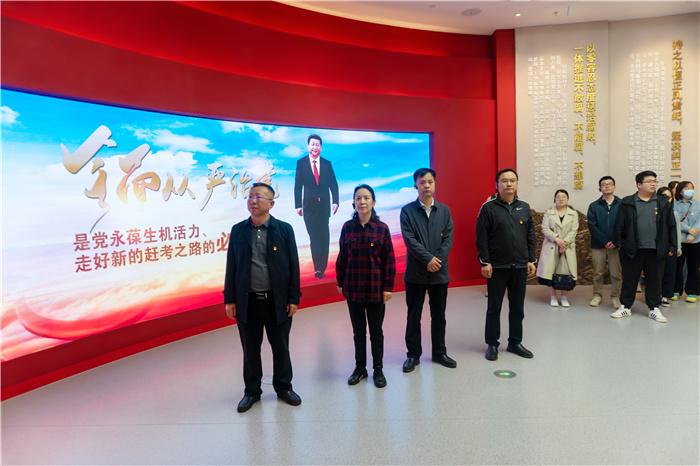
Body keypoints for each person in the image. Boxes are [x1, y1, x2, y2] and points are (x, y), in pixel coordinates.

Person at [224, 182, 302, 413]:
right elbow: (231, 266)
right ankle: (251, 392)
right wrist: (230, 299)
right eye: (250, 196)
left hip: (277, 302)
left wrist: (293, 298)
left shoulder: (284, 229)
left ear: (271, 203)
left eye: (258, 197)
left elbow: (293, 266)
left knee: (281, 348)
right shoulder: (238, 230)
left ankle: (284, 388)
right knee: (250, 350)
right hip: (247, 302)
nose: (253, 201)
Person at [336, 184, 396, 388]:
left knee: (376, 333)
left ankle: (378, 370)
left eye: (366, 197)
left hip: (376, 289)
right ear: (353, 202)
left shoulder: (382, 228)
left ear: (373, 202)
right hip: (353, 289)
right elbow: (342, 258)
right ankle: (360, 368)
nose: (362, 201)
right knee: (358, 333)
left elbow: (389, 260)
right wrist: (340, 282)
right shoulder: (347, 228)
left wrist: (388, 287)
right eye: (358, 198)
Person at [476, 168, 537, 361]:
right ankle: (492, 344)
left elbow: (531, 235)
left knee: (518, 308)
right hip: (497, 267)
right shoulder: (488, 208)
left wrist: (531, 259)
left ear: (517, 183)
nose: (508, 184)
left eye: (512, 180)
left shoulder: (524, 207)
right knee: (494, 307)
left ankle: (515, 342)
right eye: (504, 180)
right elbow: (481, 237)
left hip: (519, 266)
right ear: (497, 184)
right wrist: (485, 262)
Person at [400, 168, 456, 372]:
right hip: (415, 273)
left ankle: (439, 353)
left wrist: (436, 260)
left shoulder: (444, 210)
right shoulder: (407, 211)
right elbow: (410, 240)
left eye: (430, 181)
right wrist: (428, 259)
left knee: (439, 316)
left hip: (439, 273)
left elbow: (448, 239)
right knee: (413, 316)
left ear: (434, 184)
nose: (426, 185)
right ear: (415, 185)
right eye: (422, 182)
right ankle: (413, 355)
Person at [612, 171, 676, 322]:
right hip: (632, 249)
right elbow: (619, 224)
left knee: (654, 280)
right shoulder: (628, 202)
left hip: (656, 249)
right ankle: (625, 306)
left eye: (655, 181)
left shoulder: (662, 203)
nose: (653, 184)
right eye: (649, 181)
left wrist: (672, 246)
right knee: (630, 279)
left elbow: (671, 226)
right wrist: (619, 243)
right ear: (639, 184)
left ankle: (654, 308)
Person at [294, 134, 339, 279]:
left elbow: (333, 184)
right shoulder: (301, 163)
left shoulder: (327, 164)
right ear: (308, 146)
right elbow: (297, 185)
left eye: (317, 145)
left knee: (324, 236)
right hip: (309, 207)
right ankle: (318, 268)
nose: (315, 147)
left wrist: (335, 202)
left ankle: (322, 267)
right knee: (314, 237)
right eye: (312, 144)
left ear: (321, 147)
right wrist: (298, 205)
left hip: (324, 207)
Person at [536, 189, 579, 307]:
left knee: (565, 273)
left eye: (563, 196)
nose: (561, 199)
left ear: (567, 199)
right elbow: (545, 229)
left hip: (567, 247)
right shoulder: (549, 212)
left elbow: (574, 230)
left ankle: (564, 297)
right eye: (558, 197)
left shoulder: (573, 213)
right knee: (551, 273)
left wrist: (564, 244)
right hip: (551, 246)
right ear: (554, 199)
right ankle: (553, 297)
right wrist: (558, 240)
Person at [587, 176, 623, 309]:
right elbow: (592, 226)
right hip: (598, 245)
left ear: (614, 187)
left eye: (609, 184)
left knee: (616, 273)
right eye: (604, 184)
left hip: (616, 245)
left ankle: (616, 297)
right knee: (598, 272)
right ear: (599, 188)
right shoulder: (594, 206)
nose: (607, 186)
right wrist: (605, 241)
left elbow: (624, 224)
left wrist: (616, 241)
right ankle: (597, 296)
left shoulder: (622, 204)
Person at [673, 181, 700, 303]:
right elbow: (674, 221)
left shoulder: (698, 204)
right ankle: (676, 290)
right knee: (677, 266)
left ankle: (692, 292)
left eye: (691, 188)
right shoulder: (673, 205)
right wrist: (689, 229)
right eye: (687, 187)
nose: (690, 190)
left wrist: (692, 234)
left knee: (693, 266)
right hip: (679, 240)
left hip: (695, 240)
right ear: (680, 191)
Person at [657, 186, 682, 307]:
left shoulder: (674, 213)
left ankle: (665, 296)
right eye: (663, 196)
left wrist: (677, 247)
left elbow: (676, 231)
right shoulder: (654, 212)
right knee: (656, 273)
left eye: (669, 197)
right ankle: (655, 295)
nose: (667, 199)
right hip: (657, 248)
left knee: (669, 272)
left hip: (670, 248)